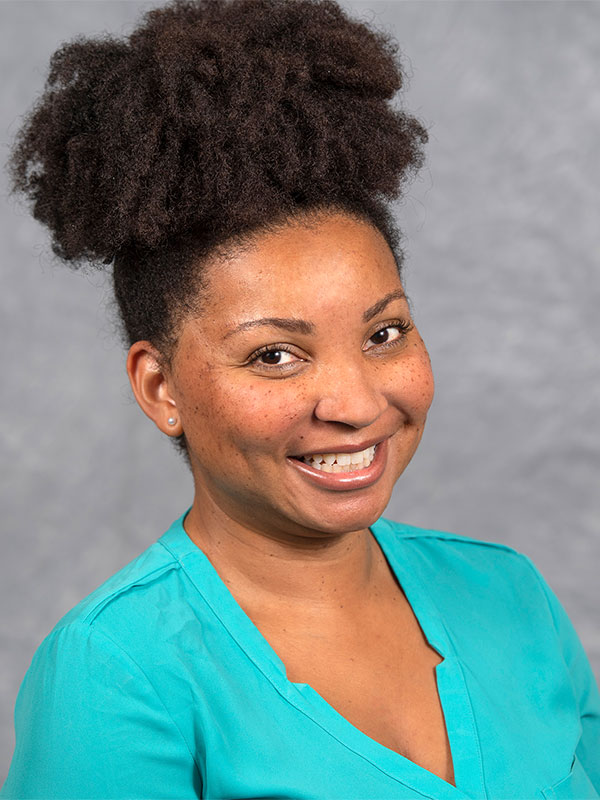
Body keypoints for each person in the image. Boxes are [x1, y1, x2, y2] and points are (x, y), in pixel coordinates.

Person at [1, 0, 598, 797]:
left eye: (384, 333)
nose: (354, 402)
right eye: (275, 355)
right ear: (159, 387)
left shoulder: (511, 597)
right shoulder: (114, 672)